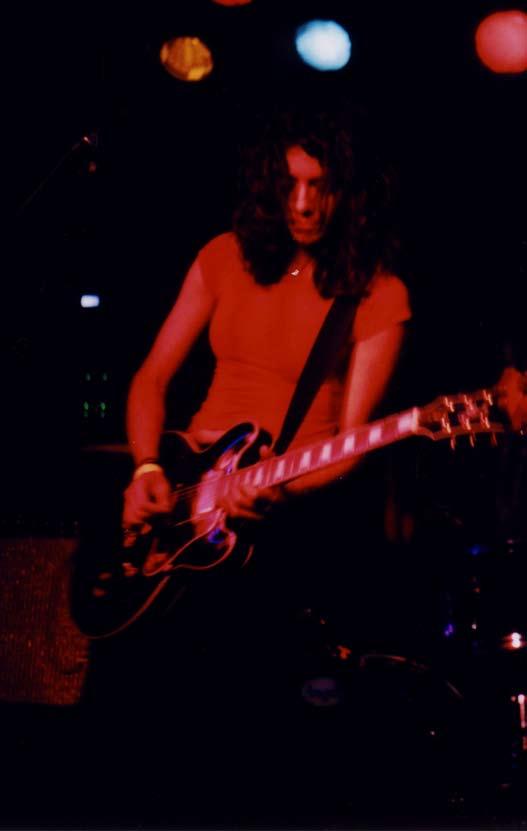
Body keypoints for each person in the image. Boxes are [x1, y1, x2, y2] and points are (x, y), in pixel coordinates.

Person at [117, 106, 413, 824]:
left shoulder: (378, 294)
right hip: (183, 490)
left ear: (350, 192)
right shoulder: (223, 257)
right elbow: (151, 378)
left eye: (322, 185)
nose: (304, 204)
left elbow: (350, 447)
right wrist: (147, 469)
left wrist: (279, 492)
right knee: (137, 718)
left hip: (281, 519)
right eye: (289, 184)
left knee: (244, 731)